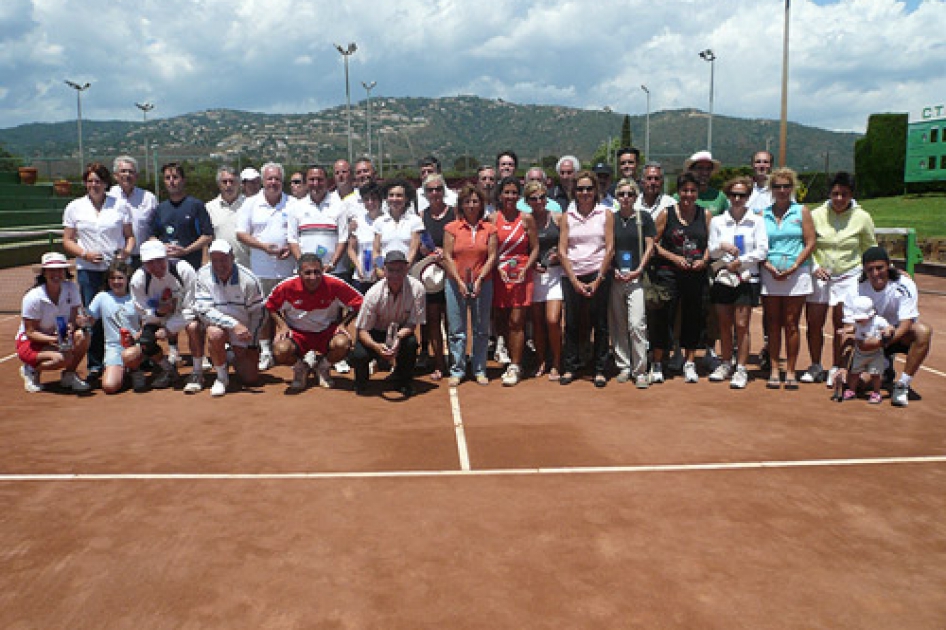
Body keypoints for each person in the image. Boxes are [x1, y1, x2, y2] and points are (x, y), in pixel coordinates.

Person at [801, 171, 877, 386]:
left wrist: (872, 272)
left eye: (844, 194)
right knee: (814, 323)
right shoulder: (816, 215)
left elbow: (870, 248)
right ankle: (815, 365)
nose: (839, 199)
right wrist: (815, 266)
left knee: (841, 325)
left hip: (849, 276)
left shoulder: (862, 217)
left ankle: (837, 366)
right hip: (819, 276)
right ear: (829, 193)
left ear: (851, 194)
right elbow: (807, 243)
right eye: (835, 193)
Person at [61, 161, 135, 381]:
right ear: (85, 183)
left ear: (105, 183)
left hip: (115, 270)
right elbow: (67, 240)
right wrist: (85, 254)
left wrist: (125, 252)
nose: (94, 184)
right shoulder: (74, 207)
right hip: (88, 271)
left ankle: (132, 361)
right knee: (92, 319)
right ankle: (95, 365)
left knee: (123, 315)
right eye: (90, 181)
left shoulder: (120, 205)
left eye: (99, 181)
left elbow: (130, 237)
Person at [847, 246, 933, 407]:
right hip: (869, 339)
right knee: (856, 385)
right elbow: (848, 327)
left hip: (897, 335)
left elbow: (906, 324)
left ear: (889, 265)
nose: (875, 273)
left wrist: (881, 343)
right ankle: (885, 370)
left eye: (880, 268)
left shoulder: (904, 284)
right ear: (864, 270)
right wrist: (841, 365)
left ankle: (902, 385)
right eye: (869, 269)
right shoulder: (855, 288)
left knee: (923, 332)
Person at [265, 254, 363, 391]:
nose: (313, 277)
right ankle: (301, 368)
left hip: (327, 331)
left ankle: (323, 367)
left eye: (317, 272)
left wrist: (343, 324)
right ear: (299, 273)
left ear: (322, 270)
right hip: (297, 333)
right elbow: (270, 306)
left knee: (343, 343)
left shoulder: (334, 284)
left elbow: (360, 304)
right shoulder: (286, 287)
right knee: (280, 350)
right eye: (307, 273)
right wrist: (282, 325)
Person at [707, 177, 769, 389]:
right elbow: (712, 250)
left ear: (748, 196)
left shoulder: (757, 221)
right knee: (724, 323)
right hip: (723, 278)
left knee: (742, 325)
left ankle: (741, 368)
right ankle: (726, 363)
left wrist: (741, 262)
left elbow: (762, 250)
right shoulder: (717, 221)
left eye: (741, 195)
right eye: (733, 194)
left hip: (746, 278)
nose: (737, 198)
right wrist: (723, 246)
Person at [650, 172, 711, 383]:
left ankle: (690, 362)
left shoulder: (706, 215)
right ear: (678, 192)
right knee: (664, 318)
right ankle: (658, 363)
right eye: (685, 190)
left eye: (693, 190)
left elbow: (712, 243)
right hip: (669, 274)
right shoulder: (667, 214)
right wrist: (674, 258)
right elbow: (653, 244)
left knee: (694, 318)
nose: (688, 195)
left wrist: (704, 260)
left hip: (696, 275)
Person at [760, 168, 815, 390]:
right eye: (777, 186)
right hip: (770, 273)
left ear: (792, 188)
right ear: (771, 189)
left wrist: (794, 266)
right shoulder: (762, 214)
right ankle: (774, 368)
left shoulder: (802, 211)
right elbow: (759, 246)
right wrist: (769, 266)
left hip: (797, 274)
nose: (782, 191)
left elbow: (810, 242)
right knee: (772, 323)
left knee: (792, 324)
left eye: (786, 186)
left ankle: (790, 371)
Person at [558, 170, 614, 387]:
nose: (585, 192)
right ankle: (570, 367)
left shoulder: (605, 214)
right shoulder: (567, 217)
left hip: (598, 274)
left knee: (600, 323)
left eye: (589, 188)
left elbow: (609, 249)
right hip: (572, 274)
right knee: (572, 323)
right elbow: (562, 250)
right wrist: (574, 280)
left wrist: (598, 279)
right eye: (580, 189)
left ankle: (600, 369)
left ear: (596, 191)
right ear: (574, 192)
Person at [236, 162, 294, 371]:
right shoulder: (250, 203)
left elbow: (299, 233)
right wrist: (263, 247)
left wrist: (289, 247)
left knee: (291, 311)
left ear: (282, 181)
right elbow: (241, 233)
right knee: (262, 312)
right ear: (263, 181)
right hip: (260, 270)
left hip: (289, 269)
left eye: (277, 179)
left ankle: (293, 348)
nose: (273, 182)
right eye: (269, 179)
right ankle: (266, 351)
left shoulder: (293, 203)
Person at [193, 240, 267, 397]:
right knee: (214, 334)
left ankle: (229, 353)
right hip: (220, 325)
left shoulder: (249, 280)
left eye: (224, 259)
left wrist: (251, 342)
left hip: (242, 330)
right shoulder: (202, 275)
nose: (219, 265)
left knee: (250, 378)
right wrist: (233, 324)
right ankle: (221, 377)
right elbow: (204, 311)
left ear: (232, 257)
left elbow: (258, 313)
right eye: (215, 260)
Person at [442, 184, 498, 386]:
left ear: (481, 204)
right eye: (467, 201)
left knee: (481, 328)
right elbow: (447, 256)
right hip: (455, 284)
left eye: (475, 201)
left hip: (483, 283)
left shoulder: (490, 229)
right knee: (457, 329)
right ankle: (457, 369)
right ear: (461, 204)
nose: (471, 205)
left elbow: (492, 256)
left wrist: (480, 279)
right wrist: (458, 282)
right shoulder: (451, 228)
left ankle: (479, 368)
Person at [350, 251, 426, 397]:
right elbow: (362, 330)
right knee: (359, 354)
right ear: (384, 271)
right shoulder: (373, 294)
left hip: (400, 331)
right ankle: (361, 381)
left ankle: (404, 382)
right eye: (391, 270)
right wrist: (376, 347)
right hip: (374, 332)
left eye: (400, 270)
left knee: (410, 344)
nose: (396, 274)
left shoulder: (418, 289)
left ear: (407, 269)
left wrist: (397, 338)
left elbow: (412, 324)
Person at [129, 240, 203, 391]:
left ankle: (197, 371)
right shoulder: (138, 280)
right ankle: (168, 369)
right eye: (150, 262)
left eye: (159, 260)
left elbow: (193, 305)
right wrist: (158, 313)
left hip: (184, 314)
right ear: (143, 263)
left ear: (166, 257)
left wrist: (169, 328)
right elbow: (141, 309)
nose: (156, 267)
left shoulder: (183, 269)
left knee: (194, 327)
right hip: (157, 317)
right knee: (145, 341)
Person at [16, 252, 91, 393]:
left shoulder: (71, 288)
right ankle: (31, 369)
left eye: (60, 269)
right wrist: (54, 339)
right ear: (44, 273)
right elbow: (30, 332)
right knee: (62, 359)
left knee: (83, 336)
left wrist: (72, 326)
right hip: (30, 342)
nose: (56, 273)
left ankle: (69, 375)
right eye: (51, 270)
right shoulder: (33, 297)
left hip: (57, 336)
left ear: (65, 272)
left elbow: (73, 319)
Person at [491, 176, 539, 386]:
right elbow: (489, 250)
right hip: (499, 276)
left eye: (513, 193)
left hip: (521, 276)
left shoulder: (527, 219)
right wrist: (496, 268)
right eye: (506, 192)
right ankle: (508, 356)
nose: (510, 197)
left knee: (517, 322)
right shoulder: (493, 219)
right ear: (500, 195)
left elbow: (535, 248)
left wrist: (525, 269)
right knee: (501, 321)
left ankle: (515, 366)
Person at [608, 178, 656, 388]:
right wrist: (613, 270)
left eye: (630, 194)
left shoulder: (643, 218)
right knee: (618, 323)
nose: (625, 198)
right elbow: (606, 247)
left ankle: (640, 370)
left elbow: (650, 246)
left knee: (637, 324)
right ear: (617, 198)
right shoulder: (611, 219)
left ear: (636, 197)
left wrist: (639, 269)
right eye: (621, 194)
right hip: (616, 278)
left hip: (636, 278)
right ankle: (623, 366)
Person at [417, 173, 455, 381]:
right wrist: (427, 250)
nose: (435, 193)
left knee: (451, 320)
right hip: (430, 277)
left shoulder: (455, 214)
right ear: (425, 193)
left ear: (444, 191)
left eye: (438, 189)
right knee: (432, 320)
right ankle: (439, 362)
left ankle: (455, 361)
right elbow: (420, 243)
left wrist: (447, 252)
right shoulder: (421, 216)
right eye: (430, 190)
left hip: (451, 273)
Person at [87, 260, 146, 394]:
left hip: (134, 346)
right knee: (109, 386)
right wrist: (82, 320)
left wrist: (137, 336)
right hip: (113, 347)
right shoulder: (102, 297)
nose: (116, 281)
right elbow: (89, 320)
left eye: (120, 278)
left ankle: (136, 370)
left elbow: (147, 323)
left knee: (130, 355)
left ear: (127, 279)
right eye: (112, 278)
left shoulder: (136, 298)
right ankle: (123, 372)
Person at [525, 180, 563, 381]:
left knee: (552, 320)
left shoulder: (557, 218)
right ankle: (541, 361)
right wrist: (531, 265)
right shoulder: (526, 221)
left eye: (542, 197)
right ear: (528, 201)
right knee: (538, 323)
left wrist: (559, 254)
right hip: (534, 275)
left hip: (556, 275)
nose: (538, 201)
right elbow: (523, 249)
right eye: (534, 198)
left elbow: (567, 243)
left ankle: (557, 361)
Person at [150, 162, 214, 273]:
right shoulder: (160, 208)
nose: (171, 181)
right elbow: (152, 236)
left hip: (192, 266)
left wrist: (185, 251)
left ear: (183, 180)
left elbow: (208, 236)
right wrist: (162, 247)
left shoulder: (196, 205)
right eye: (167, 178)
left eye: (175, 177)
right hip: (166, 269)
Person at [287, 164, 350, 277]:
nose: (315, 183)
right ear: (306, 182)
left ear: (326, 181)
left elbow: (343, 239)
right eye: (312, 180)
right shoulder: (295, 207)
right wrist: (304, 265)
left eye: (320, 180)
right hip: (305, 273)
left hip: (334, 272)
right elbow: (292, 240)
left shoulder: (339, 206)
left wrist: (331, 264)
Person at [840, 295, 893, 404]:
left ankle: (876, 392)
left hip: (875, 354)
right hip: (859, 353)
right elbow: (854, 328)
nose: (858, 320)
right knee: (854, 373)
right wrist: (846, 331)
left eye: (860, 318)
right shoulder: (858, 322)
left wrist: (887, 331)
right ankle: (851, 390)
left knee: (875, 374)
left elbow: (890, 327)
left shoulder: (878, 321)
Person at [109, 155, 157, 268]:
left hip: (143, 258)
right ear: (115, 176)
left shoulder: (149, 198)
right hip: (116, 259)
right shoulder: (108, 198)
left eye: (131, 172)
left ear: (136, 176)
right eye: (123, 171)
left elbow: (156, 227)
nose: (127, 175)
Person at [372, 178, 424, 272]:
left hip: (408, 273)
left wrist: (402, 271)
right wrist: (383, 269)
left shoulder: (415, 221)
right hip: (385, 274)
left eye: (399, 195)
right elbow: (376, 252)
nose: (394, 199)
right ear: (386, 198)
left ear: (406, 198)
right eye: (391, 195)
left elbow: (413, 250)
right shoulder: (379, 222)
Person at [205, 166, 250, 268]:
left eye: (232, 181)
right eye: (224, 182)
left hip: (247, 266)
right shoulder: (209, 208)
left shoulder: (250, 205)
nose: (228, 185)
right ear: (219, 185)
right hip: (219, 268)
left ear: (239, 184)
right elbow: (206, 239)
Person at [348, 182, 385, 293]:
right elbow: (351, 249)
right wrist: (358, 267)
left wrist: (378, 268)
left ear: (380, 200)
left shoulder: (387, 221)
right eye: (366, 199)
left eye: (373, 199)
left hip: (381, 276)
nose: (370, 202)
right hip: (361, 277)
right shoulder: (357, 222)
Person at [683, 151, 728, 215]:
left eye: (708, 169)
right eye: (700, 168)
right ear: (691, 170)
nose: (705, 173)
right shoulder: (680, 196)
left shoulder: (719, 197)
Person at [747, 150, 774, 215]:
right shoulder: (744, 189)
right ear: (752, 165)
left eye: (765, 162)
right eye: (758, 162)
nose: (762, 165)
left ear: (771, 165)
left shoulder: (781, 189)